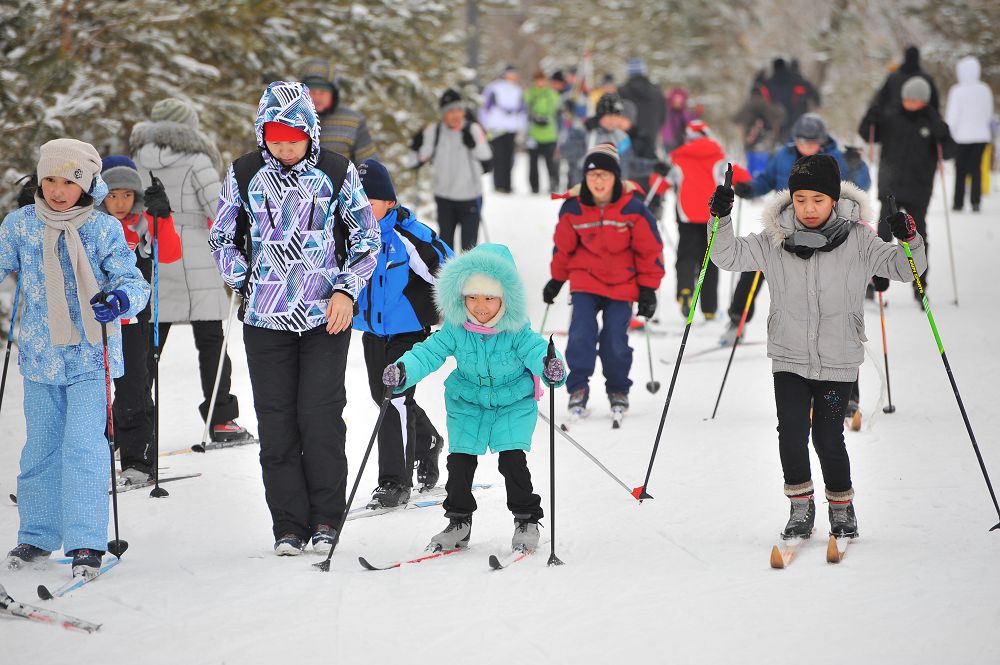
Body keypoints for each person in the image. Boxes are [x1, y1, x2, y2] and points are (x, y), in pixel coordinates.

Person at [708, 154, 927, 540]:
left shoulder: (859, 239)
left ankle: (842, 508)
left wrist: (909, 238)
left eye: (818, 200)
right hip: (788, 356)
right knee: (790, 432)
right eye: (801, 199)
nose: (809, 208)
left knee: (828, 436)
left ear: (834, 200)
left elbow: (906, 269)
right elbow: (726, 256)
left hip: (838, 357)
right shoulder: (775, 238)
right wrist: (721, 220)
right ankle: (800, 506)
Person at [209, 81, 380, 555]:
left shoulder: (336, 170)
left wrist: (346, 289)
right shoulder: (244, 172)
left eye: (293, 139)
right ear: (263, 134)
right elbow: (222, 236)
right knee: (277, 423)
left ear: (310, 133)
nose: (283, 149)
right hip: (265, 320)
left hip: (325, 317)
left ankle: (327, 518)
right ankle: (288, 524)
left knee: (320, 419)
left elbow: (366, 239)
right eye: (275, 139)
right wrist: (243, 278)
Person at [2, 139, 150, 578]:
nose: (57, 190)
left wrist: (120, 298)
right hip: (40, 355)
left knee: (84, 448)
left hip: (90, 356)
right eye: (49, 179)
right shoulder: (21, 225)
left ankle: (87, 540)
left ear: (85, 183)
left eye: (68, 181)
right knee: (40, 450)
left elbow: (132, 279)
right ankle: (37, 534)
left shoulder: (102, 229)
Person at [381, 243, 566, 553]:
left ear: (506, 298)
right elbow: (428, 353)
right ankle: (459, 521)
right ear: (461, 297)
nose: (481, 306)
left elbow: (537, 351)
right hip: (467, 401)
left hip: (513, 402)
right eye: (473, 298)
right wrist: (403, 371)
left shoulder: (516, 329)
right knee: (460, 463)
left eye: (490, 298)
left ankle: (526, 519)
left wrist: (551, 366)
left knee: (512, 462)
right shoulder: (456, 328)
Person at [131, 98, 252, 444]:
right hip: (197, 250)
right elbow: (219, 205)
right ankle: (221, 420)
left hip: (157, 246)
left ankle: (130, 421)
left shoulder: (139, 158)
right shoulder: (198, 158)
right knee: (211, 340)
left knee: (150, 342)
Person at [354, 159, 452, 506]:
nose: (362, 207)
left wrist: (466, 312)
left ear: (390, 203)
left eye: (370, 200)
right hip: (372, 332)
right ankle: (426, 440)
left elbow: (448, 273)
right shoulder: (349, 235)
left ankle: (394, 482)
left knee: (392, 399)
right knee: (382, 396)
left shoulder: (408, 235)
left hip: (409, 332)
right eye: (356, 199)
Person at [544, 143, 665, 419]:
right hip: (585, 282)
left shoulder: (632, 208)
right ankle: (578, 389)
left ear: (616, 178)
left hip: (622, 284)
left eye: (605, 175)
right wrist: (556, 280)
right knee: (581, 335)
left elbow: (650, 250)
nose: (598, 181)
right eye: (593, 175)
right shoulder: (573, 209)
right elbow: (563, 249)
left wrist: (648, 289)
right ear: (585, 178)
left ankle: (618, 389)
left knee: (614, 339)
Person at [725, 113, 857, 346]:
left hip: (821, 232)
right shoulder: (783, 155)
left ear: (822, 140)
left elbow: (853, 190)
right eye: (802, 140)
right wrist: (750, 188)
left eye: (812, 141)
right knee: (754, 268)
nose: (806, 146)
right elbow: (766, 180)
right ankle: (737, 321)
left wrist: (857, 167)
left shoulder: (834, 158)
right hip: (783, 228)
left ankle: (819, 332)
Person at [98, 156, 182, 486]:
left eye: (127, 195)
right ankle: (93, 460)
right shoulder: (90, 224)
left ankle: (138, 461)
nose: (120, 203)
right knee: (94, 395)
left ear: (137, 196)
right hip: (95, 323)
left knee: (134, 391)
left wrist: (163, 216)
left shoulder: (145, 224)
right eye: (112, 195)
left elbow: (170, 254)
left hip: (133, 322)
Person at [859, 76, 953, 299]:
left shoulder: (931, 120)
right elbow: (868, 133)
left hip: (918, 188)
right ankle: (876, 281)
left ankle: (920, 285)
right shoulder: (891, 115)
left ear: (924, 101)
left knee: (917, 236)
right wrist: (869, 119)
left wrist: (941, 131)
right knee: (882, 235)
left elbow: (949, 152)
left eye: (915, 100)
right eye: (907, 99)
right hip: (890, 186)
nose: (910, 103)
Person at [662, 120, 751, 319]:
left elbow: (663, 183)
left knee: (685, 256)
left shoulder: (678, 156)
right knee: (710, 258)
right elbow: (735, 172)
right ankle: (709, 308)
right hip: (712, 213)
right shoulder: (717, 154)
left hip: (685, 214)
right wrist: (745, 184)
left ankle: (684, 291)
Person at [411, 88, 492, 251]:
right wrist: (415, 146)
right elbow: (418, 159)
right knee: (445, 246)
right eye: (450, 111)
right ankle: (448, 276)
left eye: (459, 110)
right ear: (443, 114)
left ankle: (468, 276)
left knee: (469, 248)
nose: (456, 115)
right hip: (444, 198)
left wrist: (473, 144)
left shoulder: (473, 129)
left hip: (470, 197)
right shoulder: (435, 131)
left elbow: (487, 157)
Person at [299, 57, 378, 164]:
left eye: (323, 92)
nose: (317, 97)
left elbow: (369, 166)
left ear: (333, 93)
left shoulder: (353, 122)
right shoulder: (289, 119)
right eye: (312, 91)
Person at [946, 56, 994, 212]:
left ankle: (958, 202)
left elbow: (952, 116)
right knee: (976, 169)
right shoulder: (985, 89)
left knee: (960, 170)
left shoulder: (957, 91)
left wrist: (948, 134)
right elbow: (989, 112)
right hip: (981, 136)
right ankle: (975, 201)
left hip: (961, 137)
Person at [480, 65, 526, 194]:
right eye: (511, 74)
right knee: (498, 158)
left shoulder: (517, 90)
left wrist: (521, 127)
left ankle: (507, 185)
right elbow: (484, 108)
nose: (513, 77)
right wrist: (485, 125)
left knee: (509, 158)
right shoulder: (493, 88)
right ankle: (498, 184)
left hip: (511, 128)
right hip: (496, 128)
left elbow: (522, 110)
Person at [759, 58, 821, 140]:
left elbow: (760, 94)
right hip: (795, 114)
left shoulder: (769, 82)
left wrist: (759, 77)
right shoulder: (795, 79)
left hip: (775, 118)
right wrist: (817, 102)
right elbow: (811, 90)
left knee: (778, 138)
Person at [870, 46, 941, 116]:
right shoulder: (926, 79)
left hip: (893, 120)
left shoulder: (893, 78)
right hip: (919, 122)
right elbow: (934, 104)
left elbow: (879, 101)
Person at [732, 86, 786, 176]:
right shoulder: (765, 104)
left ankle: (751, 186)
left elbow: (736, 119)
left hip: (750, 142)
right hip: (764, 141)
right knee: (761, 170)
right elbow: (781, 117)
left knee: (751, 170)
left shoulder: (748, 105)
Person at [524, 70, 562, 195]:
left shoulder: (551, 93)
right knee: (533, 163)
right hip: (533, 134)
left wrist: (546, 118)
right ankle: (534, 186)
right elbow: (525, 108)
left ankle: (553, 184)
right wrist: (534, 117)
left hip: (549, 134)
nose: (540, 82)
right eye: (538, 80)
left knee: (551, 162)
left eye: (542, 80)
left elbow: (556, 108)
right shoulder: (530, 93)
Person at [661, 87, 701, 155]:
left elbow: (688, 120)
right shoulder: (667, 110)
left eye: (680, 101)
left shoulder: (682, 111)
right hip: (669, 140)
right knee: (670, 157)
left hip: (680, 139)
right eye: (676, 101)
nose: (678, 103)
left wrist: (696, 114)